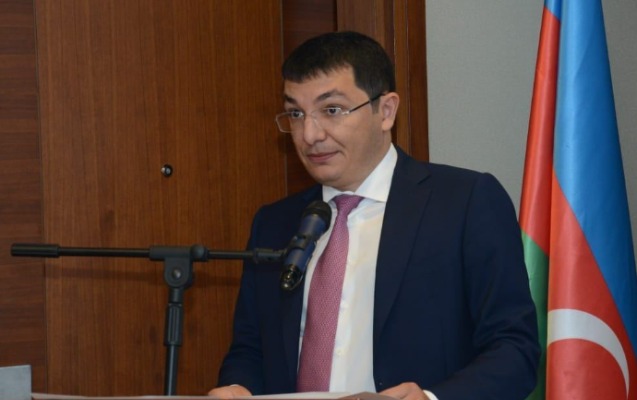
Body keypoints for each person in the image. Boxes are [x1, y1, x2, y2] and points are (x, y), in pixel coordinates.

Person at [208, 31, 539, 400]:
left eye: (331, 110)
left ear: (386, 111)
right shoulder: (274, 223)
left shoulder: (464, 203)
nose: (309, 134)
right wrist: (237, 387)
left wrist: (430, 399)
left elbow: (515, 350)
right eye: (296, 114)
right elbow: (251, 349)